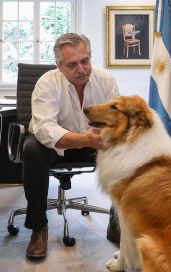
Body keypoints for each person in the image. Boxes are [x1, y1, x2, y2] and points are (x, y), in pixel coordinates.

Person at [23, 33, 120, 258]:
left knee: (123, 150)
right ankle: (38, 228)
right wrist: (84, 138)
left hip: (93, 141)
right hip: (52, 146)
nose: (81, 69)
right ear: (59, 66)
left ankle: (117, 222)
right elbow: (46, 128)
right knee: (31, 149)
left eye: (85, 61)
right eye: (72, 64)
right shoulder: (47, 83)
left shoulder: (105, 80)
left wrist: (105, 138)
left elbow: (117, 120)